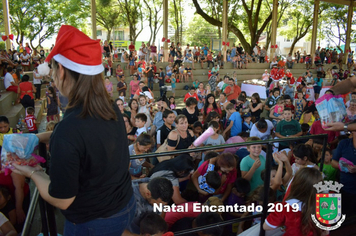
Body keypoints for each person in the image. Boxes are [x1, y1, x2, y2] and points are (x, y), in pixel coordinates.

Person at [13, 25, 135, 235]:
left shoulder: (70, 129)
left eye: (52, 69)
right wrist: (39, 138)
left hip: (92, 222)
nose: (52, 75)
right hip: (125, 205)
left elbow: (62, 199)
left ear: (61, 69)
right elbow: (85, 138)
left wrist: (32, 172)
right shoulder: (109, 106)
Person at [263, 168, 323, 236]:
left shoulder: (283, 207)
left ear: (295, 184)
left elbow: (266, 226)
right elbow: (325, 232)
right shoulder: (324, 207)